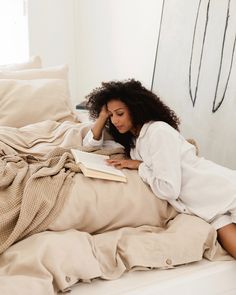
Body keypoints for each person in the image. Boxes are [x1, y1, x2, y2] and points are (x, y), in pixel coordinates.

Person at [83, 79, 236, 259]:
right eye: (111, 116)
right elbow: (89, 146)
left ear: (136, 109)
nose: (115, 120)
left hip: (223, 191)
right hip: (210, 210)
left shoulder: (158, 132)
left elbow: (168, 189)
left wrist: (141, 167)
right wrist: (102, 117)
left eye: (120, 113)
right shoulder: (134, 141)